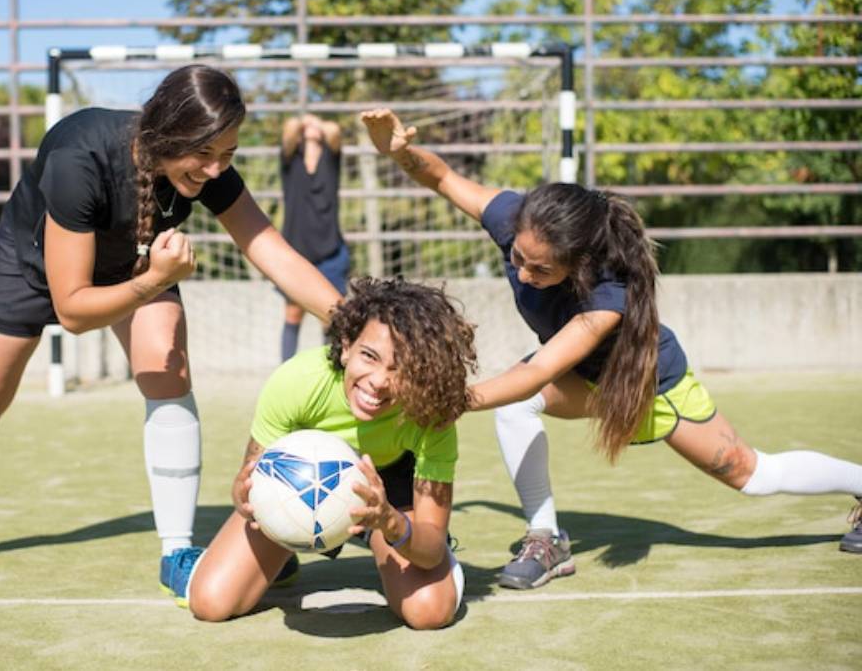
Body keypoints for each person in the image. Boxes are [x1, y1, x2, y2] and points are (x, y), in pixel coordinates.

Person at [360, 108, 862, 591]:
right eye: (518, 259)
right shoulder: (517, 220)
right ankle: (545, 539)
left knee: (749, 473)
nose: (524, 274)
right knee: (516, 407)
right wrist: (402, 153)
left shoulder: (608, 293)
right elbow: (445, 179)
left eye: (541, 270)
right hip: (588, 383)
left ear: (577, 266)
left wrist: (455, 399)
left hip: (647, 383)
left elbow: (543, 368)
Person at [0, 65, 343, 596]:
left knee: (167, 373)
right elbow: (75, 312)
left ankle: (177, 550)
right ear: (171, 134)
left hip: (137, 266)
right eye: (207, 155)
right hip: (32, 267)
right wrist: (154, 282)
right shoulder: (78, 157)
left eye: (230, 155)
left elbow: (271, 250)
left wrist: (354, 322)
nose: (218, 170)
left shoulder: (203, 168)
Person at [158, 277, 478, 630]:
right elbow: (246, 482)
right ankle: (263, 553)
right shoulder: (299, 380)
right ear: (345, 347)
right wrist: (243, 497)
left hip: (389, 498)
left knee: (430, 612)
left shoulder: (432, 415)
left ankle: (411, 553)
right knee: (211, 604)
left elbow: (428, 547)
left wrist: (389, 521)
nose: (379, 381)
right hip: (296, 484)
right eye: (369, 357)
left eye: (400, 367)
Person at [278, 113, 350, 361]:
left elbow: (334, 130)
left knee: (331, 317)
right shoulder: (291, 160)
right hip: (296, 253)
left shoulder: (331, 158)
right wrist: (302, 122)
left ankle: (330, 370)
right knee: (293, 313)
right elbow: (288, 130)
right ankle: (284, 372)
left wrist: (316, 123)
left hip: (331, 252)